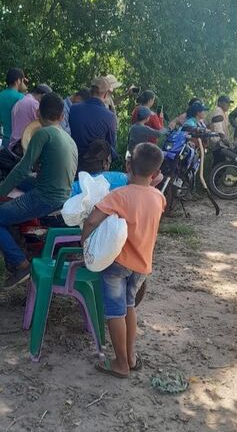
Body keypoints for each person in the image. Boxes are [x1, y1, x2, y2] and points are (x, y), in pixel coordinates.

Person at [0, 93, 78, 289]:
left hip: (46, 197)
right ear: (62, 117)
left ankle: (21, 265)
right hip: (62, 192)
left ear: (38, 113)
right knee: (20, 181)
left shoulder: (42, 133)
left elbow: (23, 167)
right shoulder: (68, 138)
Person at [81, 142, 165, 378]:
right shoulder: (159, 198)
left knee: (114, 312)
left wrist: (84, 241)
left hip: (117, 264)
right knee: (129, 306)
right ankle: (130, 356)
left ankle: (120, 364)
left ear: (128, 165)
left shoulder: (118, 196)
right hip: (141, 264)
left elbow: (91, 221)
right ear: (155, 173)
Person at [69, 77, 118, 167]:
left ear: (90, 91)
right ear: (106, 94)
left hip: (72, 160)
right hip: (95, 166)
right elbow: (111, 143)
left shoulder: (73, 108)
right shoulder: (109, 116)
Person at [0, 68, 27, 145]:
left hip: (3, 141)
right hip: (17, 142)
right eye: (23, 81)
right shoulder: (22, 98)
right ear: (18, 81)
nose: (24, 83)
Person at [9, 84, 52, 150]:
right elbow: (45, 126)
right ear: (43, 96)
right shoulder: (35, 104)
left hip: (13, 145)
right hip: (24, 146)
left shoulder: (19, 103)